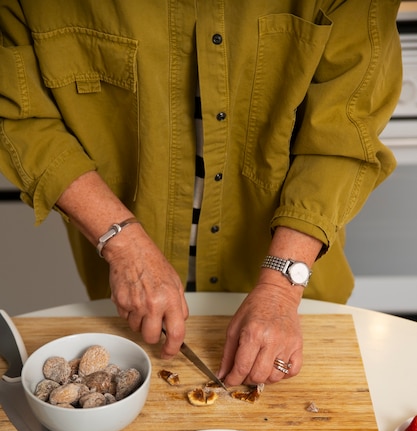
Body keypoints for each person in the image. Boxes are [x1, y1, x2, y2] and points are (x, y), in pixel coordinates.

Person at [0, 1, 402, 386]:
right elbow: (18, 117)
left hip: (298, 285)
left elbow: (345, 135)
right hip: (127, 288)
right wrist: (124, 245)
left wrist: (281, 288)